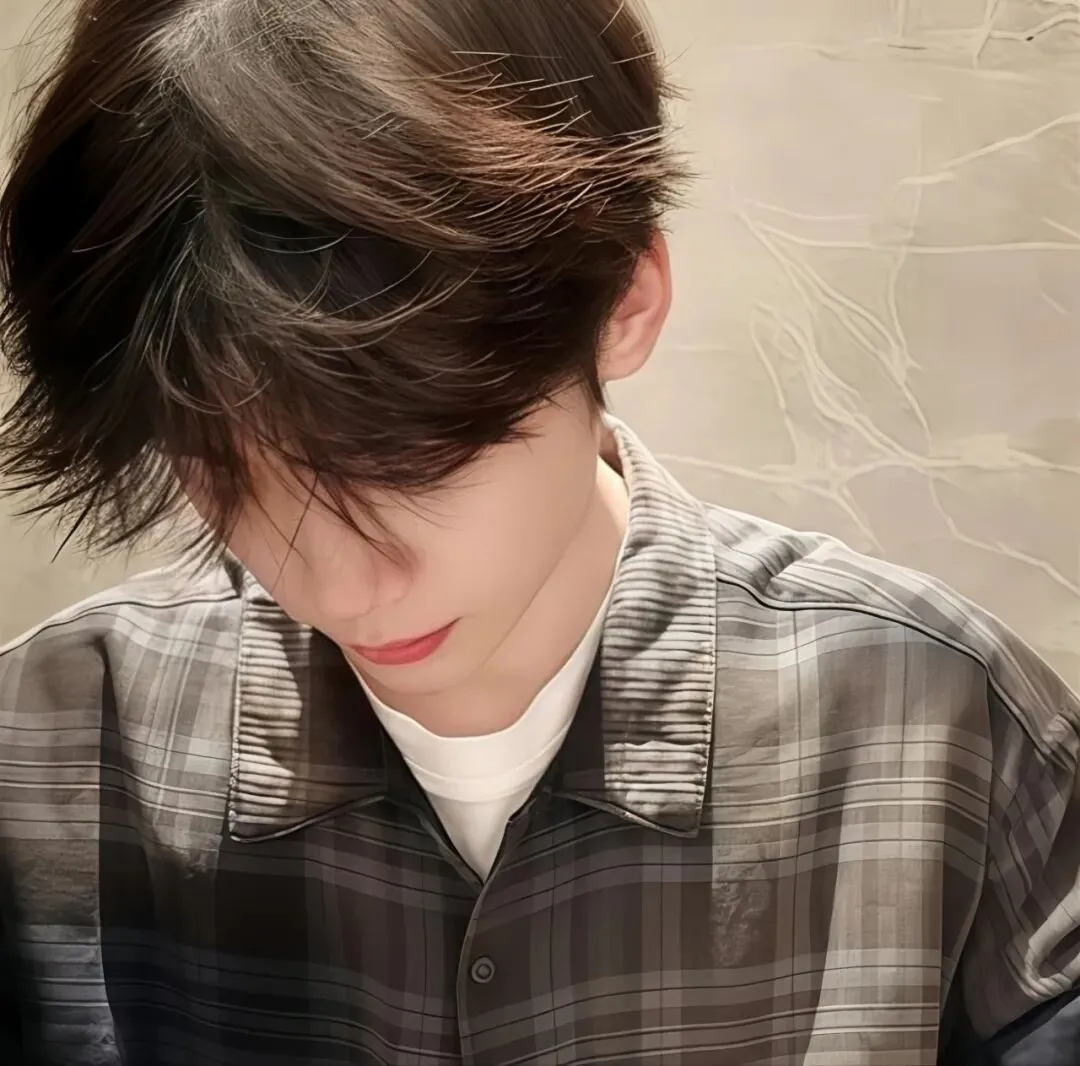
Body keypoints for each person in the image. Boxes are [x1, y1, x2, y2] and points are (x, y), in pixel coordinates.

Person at [0, 0, 1077, 1063]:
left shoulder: (941, 731)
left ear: (624, 303)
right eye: (223, 470)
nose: (338, 585)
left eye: (407, 461)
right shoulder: (44, 747)